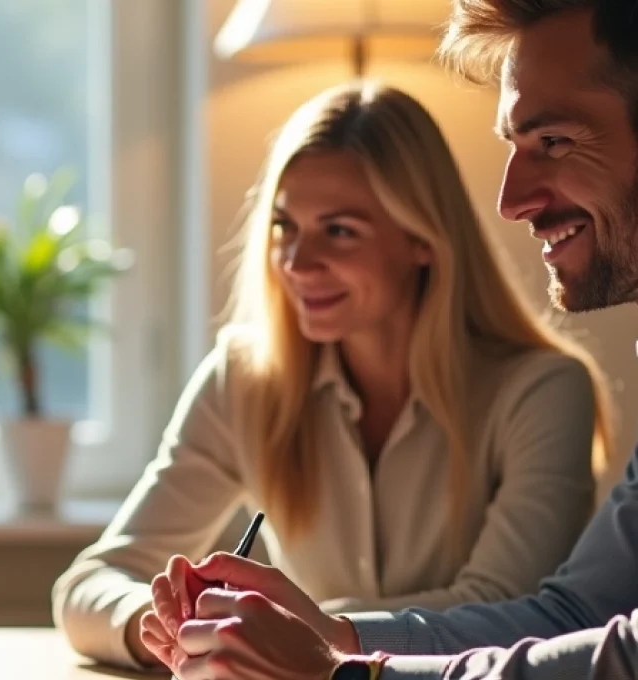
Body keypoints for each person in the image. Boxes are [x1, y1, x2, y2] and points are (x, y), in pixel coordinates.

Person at [140, 0, 638, 678]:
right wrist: (313, 635)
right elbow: (577, 615)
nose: (510, 199)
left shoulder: (538, 386)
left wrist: (339, 667)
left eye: (554, 142)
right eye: (286, 228)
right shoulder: (246, 375)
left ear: (423, 238)